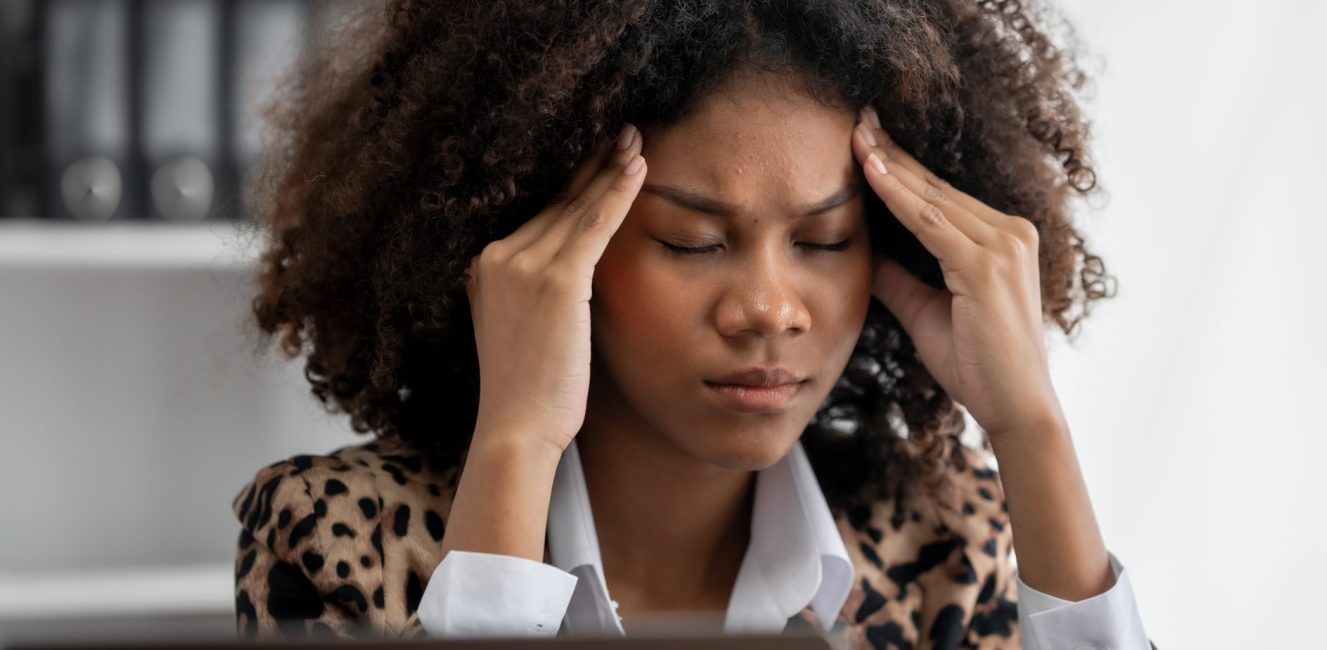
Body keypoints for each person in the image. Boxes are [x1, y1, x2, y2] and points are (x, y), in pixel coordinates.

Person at [230, 0, 1150, 647]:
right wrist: (514, 440)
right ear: (550, 249)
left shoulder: (953, 547)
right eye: (693, 240)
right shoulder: (335, 538)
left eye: (824, 241)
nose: (770, 310)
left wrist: (1030, 429)